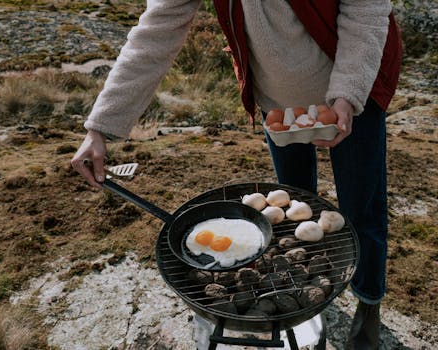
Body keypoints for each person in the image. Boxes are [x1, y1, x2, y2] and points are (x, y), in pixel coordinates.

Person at [71, 1, 401, 349]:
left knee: (362, 208)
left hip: (353, 87)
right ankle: (306, 293)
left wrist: (348, 96)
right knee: (289, 207)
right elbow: (156, 29)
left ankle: (368, 302)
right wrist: (100, 127)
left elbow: (365, 9)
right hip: (277, 102)